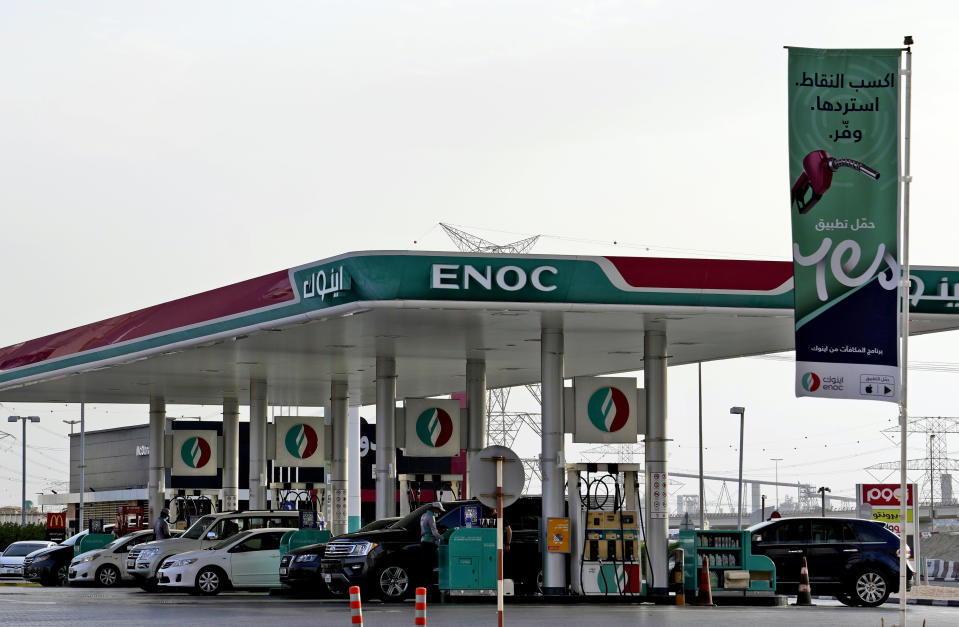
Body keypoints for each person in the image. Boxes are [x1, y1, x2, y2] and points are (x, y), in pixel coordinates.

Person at [419, 501, 445, 585]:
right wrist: (444, 538)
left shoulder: (423, 515)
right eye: (439, 511)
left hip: (423, 543)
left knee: (424, 567)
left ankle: (425, 586)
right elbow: (434, 533)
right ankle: (429, 588)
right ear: (434, 509)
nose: (439, 513)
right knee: (429, 567)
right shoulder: (431, 517)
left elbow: (426, 529)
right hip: (429, 544)